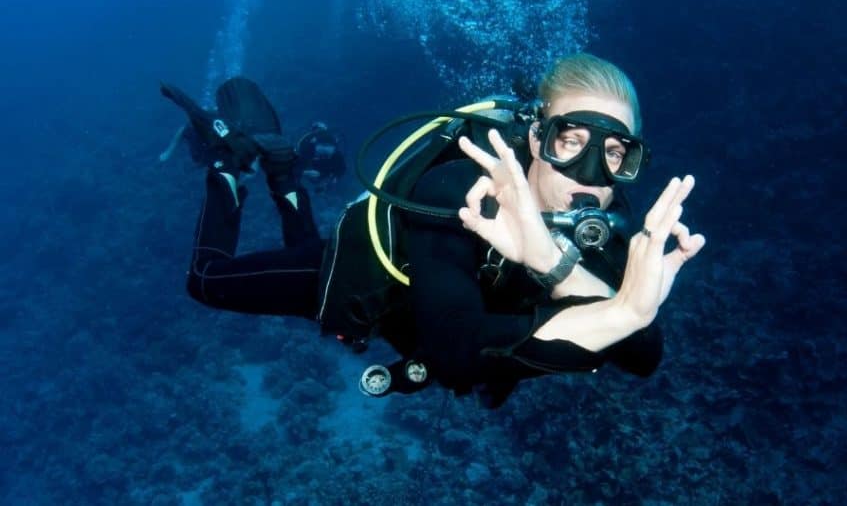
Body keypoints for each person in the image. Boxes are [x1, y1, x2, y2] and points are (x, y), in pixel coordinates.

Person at [161, 54, 705, 407]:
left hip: (437, 329)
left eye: (615, 153)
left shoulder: (608, 223)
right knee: (207, 281)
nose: (592, 175)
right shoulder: (457, 192)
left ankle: (286, 177)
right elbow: (453, 352)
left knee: (297, 243)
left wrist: (555, 264)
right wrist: (609, 301)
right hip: (376, 288)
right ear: (537, 138)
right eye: (571, 140)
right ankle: (231, 168)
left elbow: (642, 355)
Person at [295, 121, 347, 190]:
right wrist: (305, 173)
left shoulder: (336, 154)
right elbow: (293, 167)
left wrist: (334, 178)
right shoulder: (307, 149)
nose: (324, 149)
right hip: (312, 171)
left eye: (327, 145)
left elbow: (341, 168)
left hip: (323, 174)